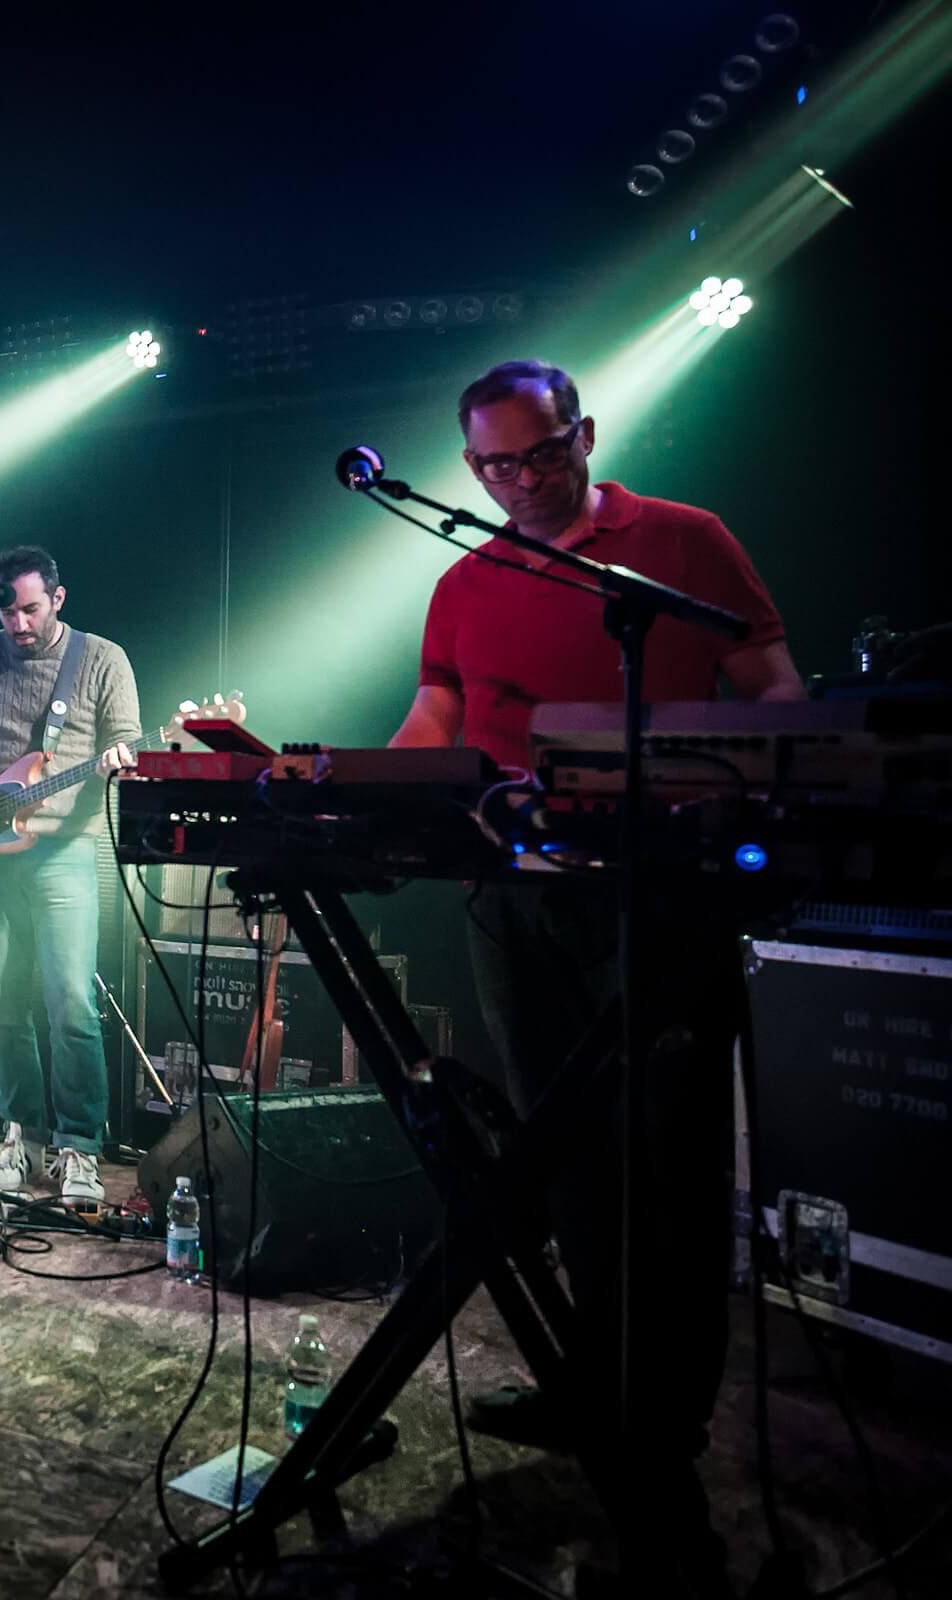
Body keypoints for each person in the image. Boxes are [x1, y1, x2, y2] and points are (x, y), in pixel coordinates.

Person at [389, 358, 802, 1589]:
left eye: (539, 454)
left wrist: (752, 794)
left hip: (659, 897)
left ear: (583, 434)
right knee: (562, 1148)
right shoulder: (464, 578)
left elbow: (773, 688)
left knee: (668, 1158)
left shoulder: (681, 542)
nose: (518, 481)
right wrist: (351, 781)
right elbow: (436, 719)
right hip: (514, 898)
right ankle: (592, 1381)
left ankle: (665, 1422)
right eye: (492, 465)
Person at [0, 546, 140, 1208]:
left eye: (31, 609)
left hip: (65, 851)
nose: (19, 624)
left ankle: (80, 1146)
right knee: (0, 1002)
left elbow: (126, 736)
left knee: (71, 1002)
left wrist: (119, 758)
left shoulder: (101, 659)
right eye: (8, 611)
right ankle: (20, 1132)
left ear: (58, 599)